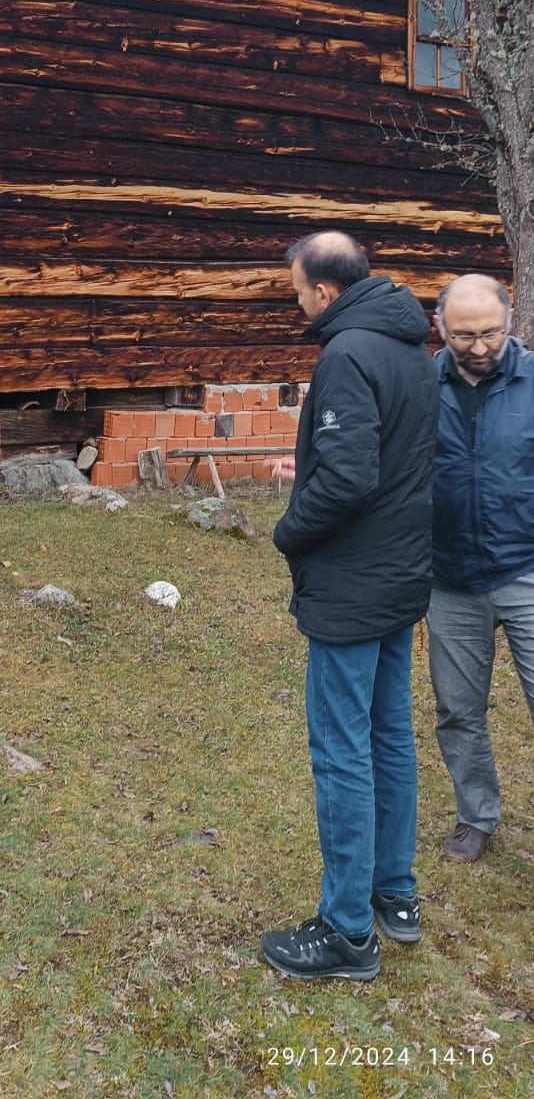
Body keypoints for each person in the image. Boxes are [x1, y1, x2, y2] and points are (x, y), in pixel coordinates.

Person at [261, 230, 439, 981]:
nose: (297, 300)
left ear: (325, 291)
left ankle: (345, 933)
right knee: (389, 734)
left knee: (342, 751)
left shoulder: (347, 355)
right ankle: (394, 895)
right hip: (399, 578)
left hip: (353, 586)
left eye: (297, 289)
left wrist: (287, 531)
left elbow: (347, 479)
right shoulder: (408, 348)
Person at [428, 273, 534, 863]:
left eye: (490, 332)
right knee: (458, 708)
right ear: (440, 327)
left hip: (525, 568)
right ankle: (476, 815)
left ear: (509, 320)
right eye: (464, 334)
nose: (478, 346)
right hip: (448, 580)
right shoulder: (421, 384)